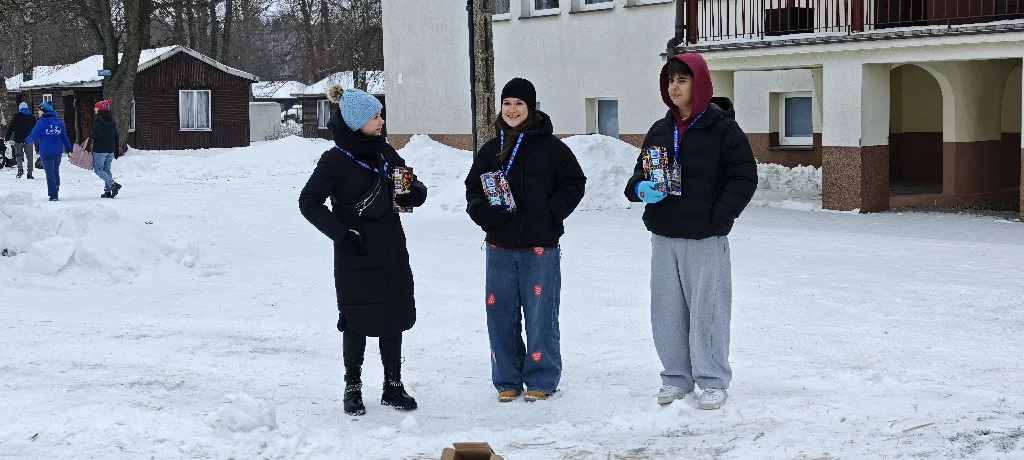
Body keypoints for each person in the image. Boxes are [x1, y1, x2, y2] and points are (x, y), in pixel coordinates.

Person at [624, 53, 757, 410]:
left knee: (708, 309)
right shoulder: (659, 129)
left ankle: (712, 380)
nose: (674, 87)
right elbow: (639, 174)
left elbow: (744, 178)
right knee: (666, 310)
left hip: (705, 238)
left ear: (699, 84)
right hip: (665, 235)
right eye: (670, 80)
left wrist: (719, 218)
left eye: (682, 80)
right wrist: (641, 190)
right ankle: (676, 377)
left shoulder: (723, 129)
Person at [299, 86, 427, 416]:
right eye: (376, 116)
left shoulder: (385, 153)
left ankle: (393, 386)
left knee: (393, 317)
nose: (382, 120)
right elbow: (308, 202)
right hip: (355, 252)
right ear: (357, 122)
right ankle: (352, 389)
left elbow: (409, 185)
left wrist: (414, 192)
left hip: (391, 249)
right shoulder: (334, 160)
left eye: (381, 114)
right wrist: (343, 235)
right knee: (355, 320)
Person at [464, 78, 587, 403]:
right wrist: (483, 214)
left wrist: (550, 214)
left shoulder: (552, 148)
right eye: (507, 103)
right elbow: (473, 189)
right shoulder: (491, 150)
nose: (512, 109)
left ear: (530, 107)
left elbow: (575, 182)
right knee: (499, 314)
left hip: (539, 247)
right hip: (500, 247)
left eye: (519, 103)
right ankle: (506, 379)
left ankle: (542, 379)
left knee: (539, 314)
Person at [26, 101, 73, 202]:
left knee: (49, 174)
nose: (38, 112)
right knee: (55, 172)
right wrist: (69, 149)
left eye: (39, 110)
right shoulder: (59, 123)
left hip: (45, 152)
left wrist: (25, 140)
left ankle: (53, 195)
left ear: (43, 110)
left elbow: (33, 136)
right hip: (57, 152)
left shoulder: (41, 122)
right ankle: (55, 191)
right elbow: (65, 138)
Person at [91, 98, 122, 198]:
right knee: (107, 170)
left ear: (99, 109)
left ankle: (113, 185)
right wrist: (116, 150)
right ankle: (108, 191)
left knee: (98, 169)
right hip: (110, 149)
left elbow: (98, 133)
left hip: (100, 149)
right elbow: (116, 136)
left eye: (96, 107)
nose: (94, 109)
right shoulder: (112, 121)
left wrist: (92, 136)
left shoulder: (98, 119)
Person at [6, 102, 37, 179]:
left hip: (18, 140)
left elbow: (11, 128)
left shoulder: (16, 117)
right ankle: (29, 174)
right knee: (30, 157)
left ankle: (20, 170)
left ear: (20, 108)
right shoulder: (32, 117)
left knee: (18, 155)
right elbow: (36, 128)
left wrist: (7, 138)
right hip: (29, 140)